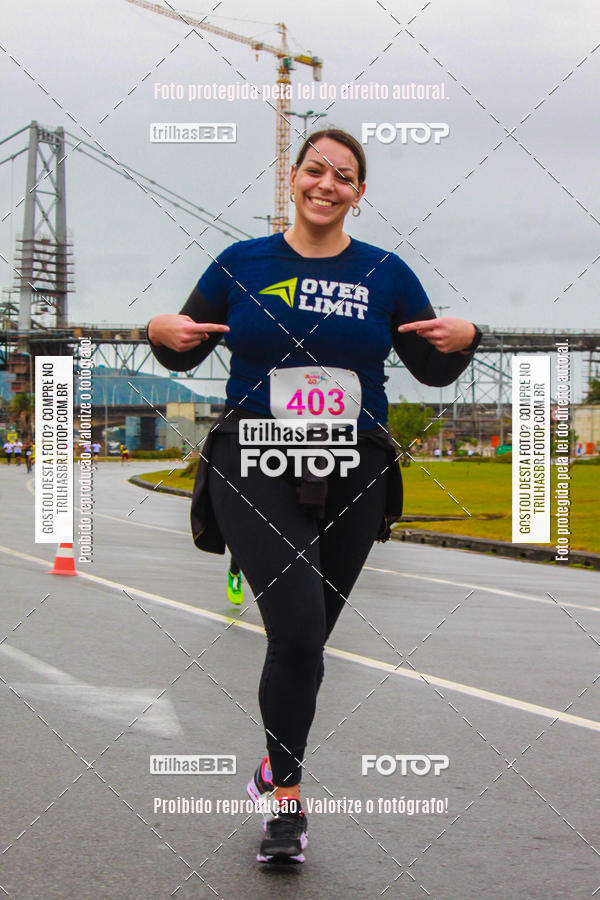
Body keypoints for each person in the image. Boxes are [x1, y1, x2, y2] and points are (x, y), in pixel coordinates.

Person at [146, 127, 481, 865]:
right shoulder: (241, 264)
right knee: (295, 631)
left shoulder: (386, 273)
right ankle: (287, 805)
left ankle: (273, 762)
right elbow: (187, 340)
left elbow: (430, 366)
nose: (327, 184)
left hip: (354, 464)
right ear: (292, 177)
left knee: (309, 642)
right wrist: (156, 329)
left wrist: (469, 334)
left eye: (345, 176)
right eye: (315, 169)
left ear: (360, 195)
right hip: (256, 454)